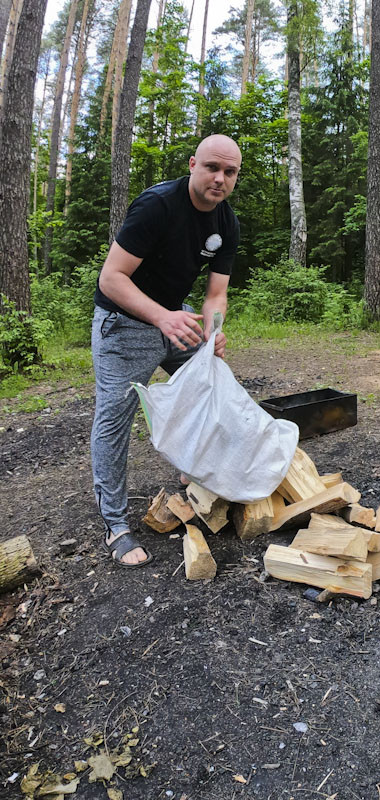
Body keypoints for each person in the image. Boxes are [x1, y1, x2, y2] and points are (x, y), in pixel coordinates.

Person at [91, 134, 242, 567]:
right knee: (115, 418)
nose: (220, 178)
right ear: (193, 164)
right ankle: (115, 524)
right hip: (124, 323)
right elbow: (111, 278)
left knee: (210, 384)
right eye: (212, 167)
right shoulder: (157, 205)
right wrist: (162, 317)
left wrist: (212, 333)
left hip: (176, 318)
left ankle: (194, 471)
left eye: (229, 172)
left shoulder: (226, 222)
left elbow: (216, 294)